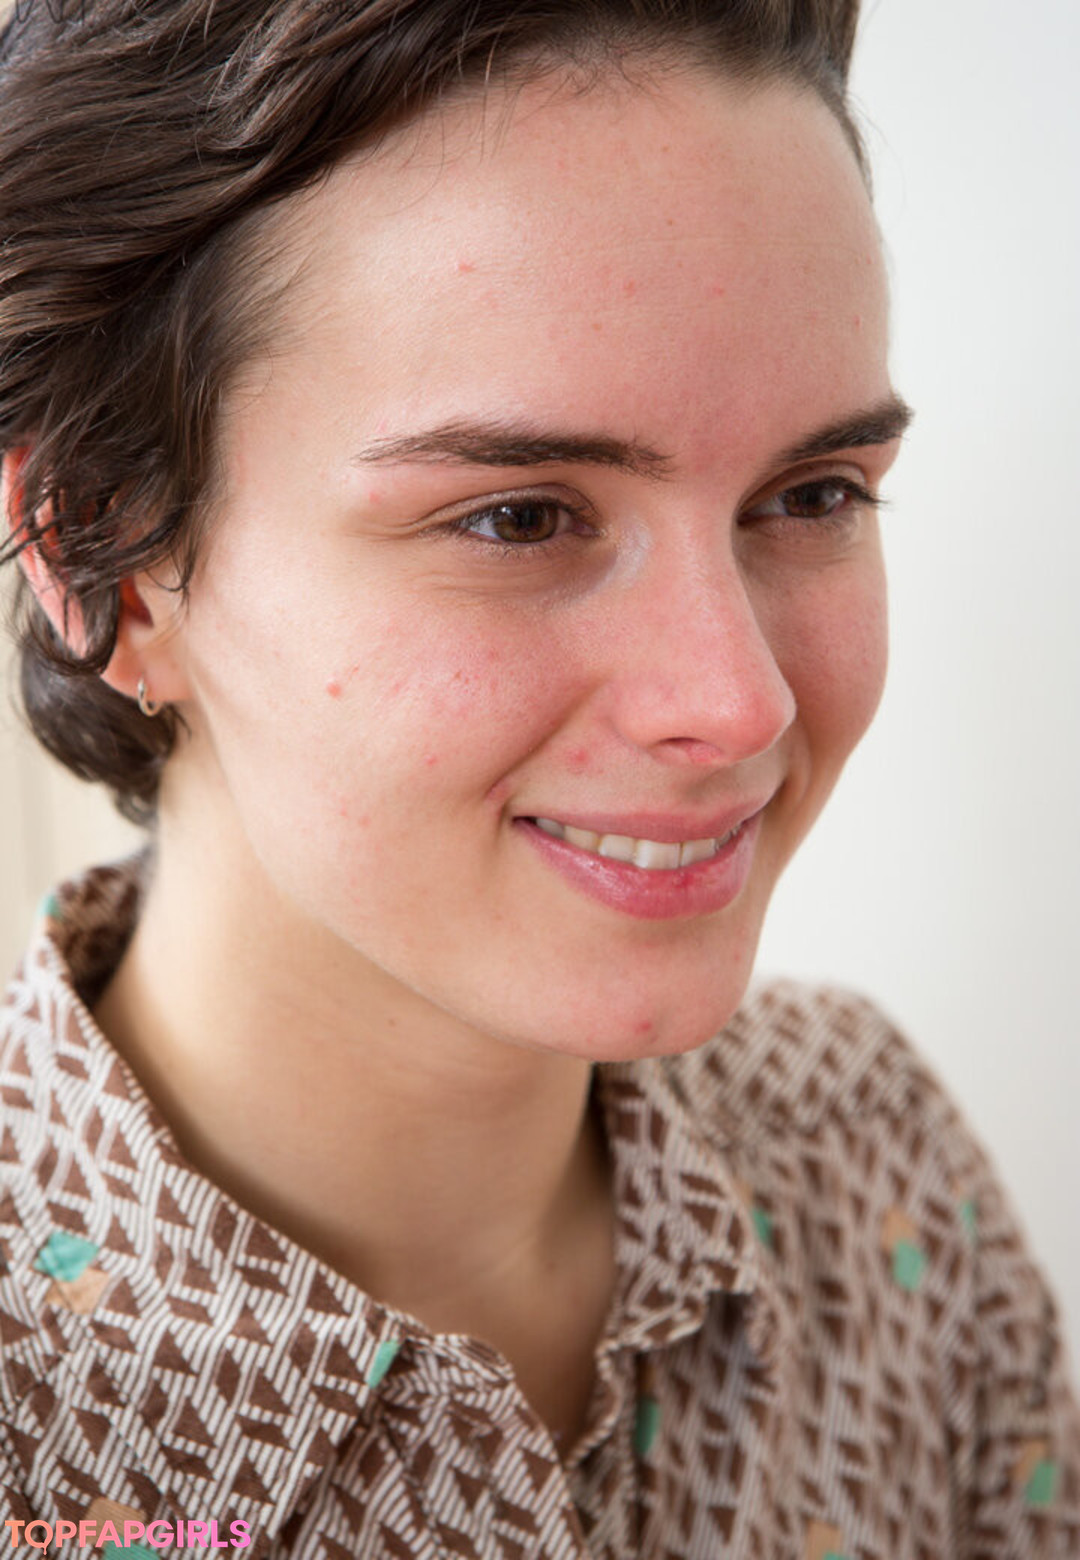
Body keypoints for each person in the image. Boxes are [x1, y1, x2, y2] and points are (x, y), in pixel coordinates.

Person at [0, 0, 1076, 1555]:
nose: (738, 702)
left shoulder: (869, 1154)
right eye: (519, 518)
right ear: (107, 560)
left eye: (813, 495)